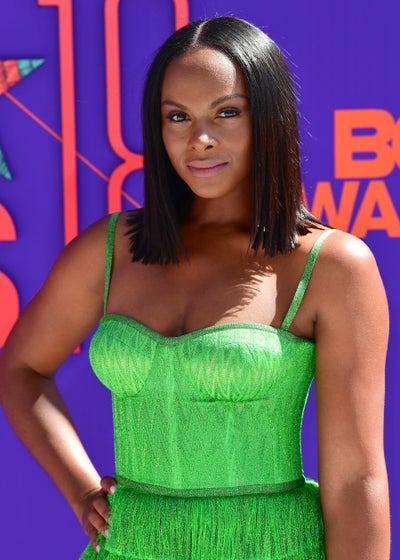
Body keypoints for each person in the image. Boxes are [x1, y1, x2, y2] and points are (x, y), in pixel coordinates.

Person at [0, 16, 390, 560]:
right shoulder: (110, 249)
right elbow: (21, 369)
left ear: (269, 119)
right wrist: (82, 491)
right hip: (128, 548)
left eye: (226, 112)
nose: (199, 140)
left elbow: (355, 481)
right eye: (177, 117)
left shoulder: (332, 265)